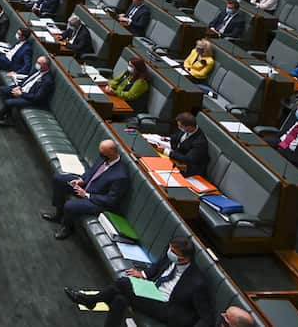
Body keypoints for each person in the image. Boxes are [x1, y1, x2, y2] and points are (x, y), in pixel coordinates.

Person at [65, 236, 213, 327]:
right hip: (153, 292)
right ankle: (92, 301)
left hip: (168, 309)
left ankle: (92, 300)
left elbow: (207, 317)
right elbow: (155, 268)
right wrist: (143, 273)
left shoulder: (197, 282)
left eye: (173, 252)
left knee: (123, 283)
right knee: (120, 299)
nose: (169, 253)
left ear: (185, 258)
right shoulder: (171, 258)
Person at [42, 139, 129, 239]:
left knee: (70, 205)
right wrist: (81, 180)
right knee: (59, 179)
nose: (100, 155)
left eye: (103, 153)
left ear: (112, 152)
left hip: (97, 202)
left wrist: (87, 195)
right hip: (86, 187)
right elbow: (91, 171)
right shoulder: (105, 158)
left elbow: (111, 200)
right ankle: (58, 215)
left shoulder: (121, 176)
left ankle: (67, 228)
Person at [0, 55, 54, 127]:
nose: (37, 64)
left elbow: (37, 97)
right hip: (23, 89)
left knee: (9, 102)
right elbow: (27, 79)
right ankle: (8, 117)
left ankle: (1, 114)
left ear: (46, 66)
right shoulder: (38, 70)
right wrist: (19, 86)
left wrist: (21, 94)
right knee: (3, 90)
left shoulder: (48, 81)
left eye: (39, 63)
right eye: (37, 62)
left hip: (32, 99)